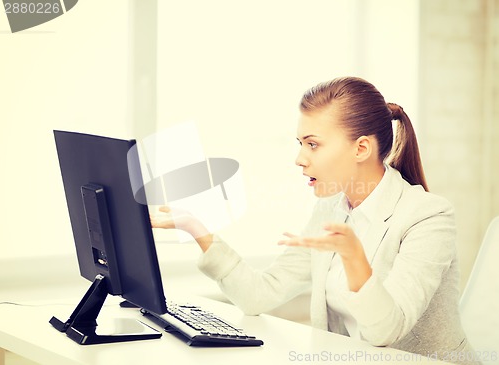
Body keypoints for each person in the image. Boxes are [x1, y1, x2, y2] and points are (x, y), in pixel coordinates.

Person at [151, 77, 479, 365]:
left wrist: (354, 259)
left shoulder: (428, 216)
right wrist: (197, 228)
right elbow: (259, 295)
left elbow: (387, 331)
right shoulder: (332, 209)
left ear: (361, 148)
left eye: (313, 144)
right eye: (300, 144)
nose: (299, 158)